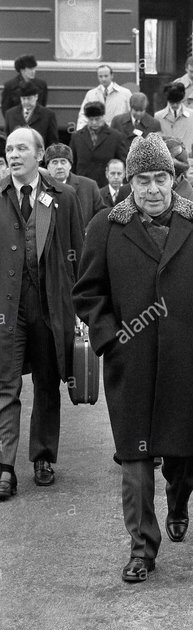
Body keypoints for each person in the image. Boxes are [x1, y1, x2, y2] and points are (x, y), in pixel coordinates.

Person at [72, 133, 193, 583]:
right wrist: (110, 341)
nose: (153, 189)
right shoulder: (106, 225)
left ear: (174, 179)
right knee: (135, 460)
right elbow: (87, 292)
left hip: (188, 361)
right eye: (142, 180)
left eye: (161, 178)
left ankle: (178, 501)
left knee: (183, 455)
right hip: (132, 363)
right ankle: (142, 548)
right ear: (130, 183)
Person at [0, 127, 84, 500]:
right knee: (6, 384)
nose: (14, 155)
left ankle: (43, 457)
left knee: (47, 383)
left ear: (39, 155)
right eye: (9, 149)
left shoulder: (63, 197)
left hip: (51, 304)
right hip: (7, 307)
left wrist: (80, 309)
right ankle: (4, 466)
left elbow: (78, 255)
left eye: (21, 148)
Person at [44, 143, 106, 228]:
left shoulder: (89, 186)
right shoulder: (41, 187)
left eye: (63, 162)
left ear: (70, 165)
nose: (59, 167)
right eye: (54, 162)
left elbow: (101, 214)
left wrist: (89, 232)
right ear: (47, 166)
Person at [70, 101, 127, 188]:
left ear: (103, 117)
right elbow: (72, 164)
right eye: (91, 120)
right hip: (82, 186)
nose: (94, 123)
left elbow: (123, 163)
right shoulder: (77, 137)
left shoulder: (115, 137)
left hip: (106, 187)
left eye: (97, 119)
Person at [5, 82, 58, 150]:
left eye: (29, 98)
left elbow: (53, 141)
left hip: (39, 158)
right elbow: (7, 139)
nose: (26, 102)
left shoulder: (48, 115)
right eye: (23, 98)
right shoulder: (10, 114)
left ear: (36, 97)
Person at [76, 65, 132, 130]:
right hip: (97, 134)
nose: (103, 79)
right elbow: (83, 115)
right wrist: (80, 132)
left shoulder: (125, 93)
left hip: (118, 134)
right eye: (100, 76)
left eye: (106, 76)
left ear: (112, 76)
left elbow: (132, 115)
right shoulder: (91, 94)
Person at [154, 83, 193, 154]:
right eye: (172, 102)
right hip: (167, 159)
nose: (175, 105)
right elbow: (156, 141)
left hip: (188, 160)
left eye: (178, 102)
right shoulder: (158, 116)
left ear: (182, 100)